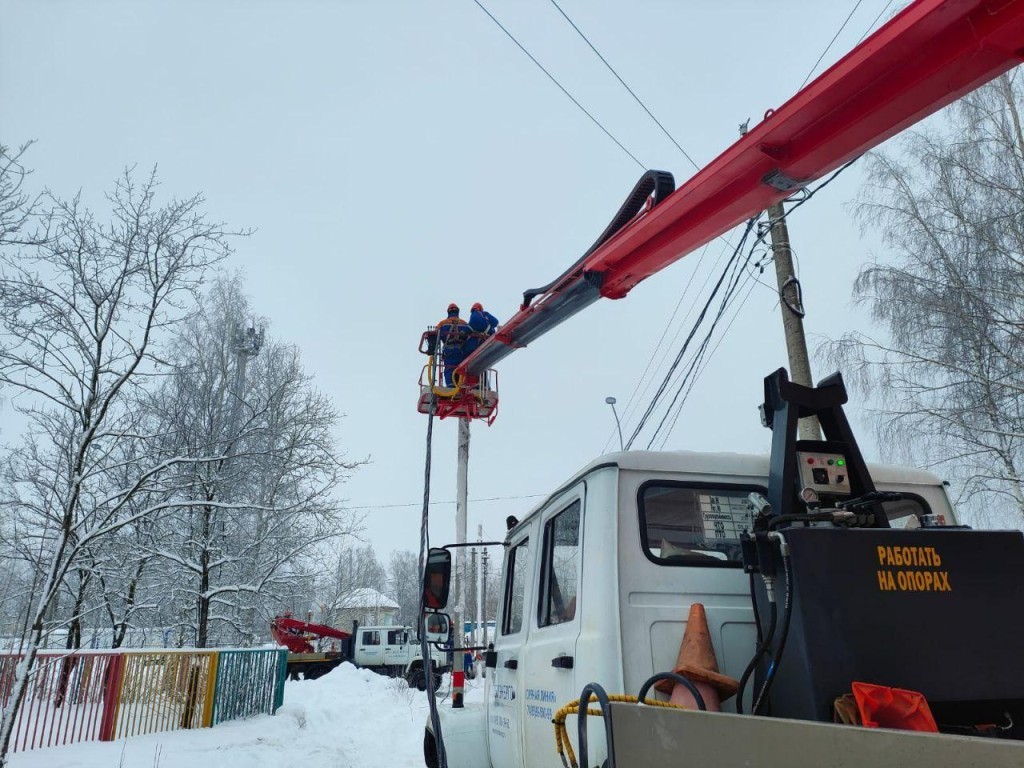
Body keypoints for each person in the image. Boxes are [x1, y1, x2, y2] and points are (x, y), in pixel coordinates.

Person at [436, 303, 470, 387]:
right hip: (462, 351)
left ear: (448, 312)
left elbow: (435, 334)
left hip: (449, 351)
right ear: (458, 312)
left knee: (449, 369)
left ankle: (451, 386)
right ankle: (461, 385)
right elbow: (470, 336)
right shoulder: (465, 323)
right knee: (462, 369)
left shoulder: (443, 323)